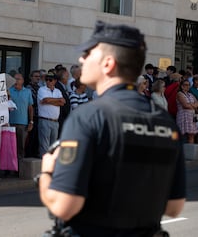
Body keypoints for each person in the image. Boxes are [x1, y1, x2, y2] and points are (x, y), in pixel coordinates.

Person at [39, 21, 185, 237]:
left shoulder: (89, 117)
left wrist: (47, 171)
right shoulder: (165, 122)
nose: (81, 59)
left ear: (108, 63)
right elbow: (174, 207)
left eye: (88, 54)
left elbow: (64, 206)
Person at [8, 73, 34, 163]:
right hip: (10, 123)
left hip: (23, 124)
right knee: (10, 146)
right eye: (14, 79)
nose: (16, 81)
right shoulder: (8, 91)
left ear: (22, 81)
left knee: (21, 147)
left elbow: (30, 107)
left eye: (18, 79)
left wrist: (31, 121)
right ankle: (9, 168)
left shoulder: (27, 92)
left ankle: (20, 167)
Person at [38, 72, 64, 157]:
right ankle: (44, 164)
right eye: (46, 80)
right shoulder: (42, 89)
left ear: (55, 81)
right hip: (45, 119)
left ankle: (51, 164)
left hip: (55, 121)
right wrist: (57, 101)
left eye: (50, 80)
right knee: (44, 145)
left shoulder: (58, 91)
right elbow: (45, 100)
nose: (48, 82)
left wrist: (50, 101)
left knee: (54, 145)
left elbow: (63, 102)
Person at [176, 79, 198, 143]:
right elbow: (185, 105)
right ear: (182, 86)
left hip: (192, 117)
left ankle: (190, 152)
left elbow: (197, 103)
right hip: (183, 116)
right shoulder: (179, 94)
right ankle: (183, 152)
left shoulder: (190, 94)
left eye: (188, 85)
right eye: (185, 85)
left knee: (192, 135)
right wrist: (193, 106)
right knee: (183, 135)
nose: (187, 86)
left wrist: (190, 105)